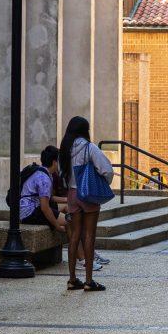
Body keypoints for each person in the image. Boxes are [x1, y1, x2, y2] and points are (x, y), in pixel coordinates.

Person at [59, 116, 112, 291]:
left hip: (72, 194)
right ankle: (89, 280)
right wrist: (104, 182)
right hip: (88, 194)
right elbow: (107, 169)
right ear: (85, 130)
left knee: (74, 236)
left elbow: (62, 173)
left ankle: (72, 278)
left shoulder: (64, 149)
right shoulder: (89, 148)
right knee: (89, 235)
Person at [20, 146, 68, 231]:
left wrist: (67, 199)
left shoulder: (43, 172)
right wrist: (57, 226)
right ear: (54, 162)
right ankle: (73, 244)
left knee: (67, 207)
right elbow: (45, 208)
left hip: (32, 208)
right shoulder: (44, 179)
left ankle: (72, 243)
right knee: (72, 220)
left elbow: (48, 197)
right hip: (30, 213)